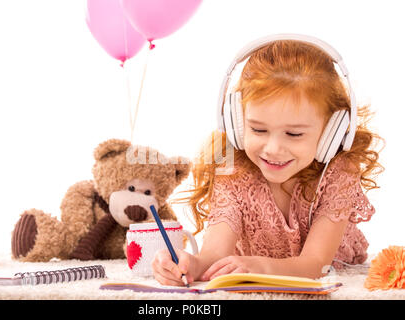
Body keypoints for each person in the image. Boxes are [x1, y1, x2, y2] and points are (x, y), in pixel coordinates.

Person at [151, 35, 384, 286]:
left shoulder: (338, 171)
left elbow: (316, 264)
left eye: (294, 134)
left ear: (332, 132)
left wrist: (258, 266)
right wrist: (190, 264)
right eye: (258, 130)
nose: (272, 149)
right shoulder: (233, 169)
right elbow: (215, 254)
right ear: (236, 123)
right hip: (249, 268)